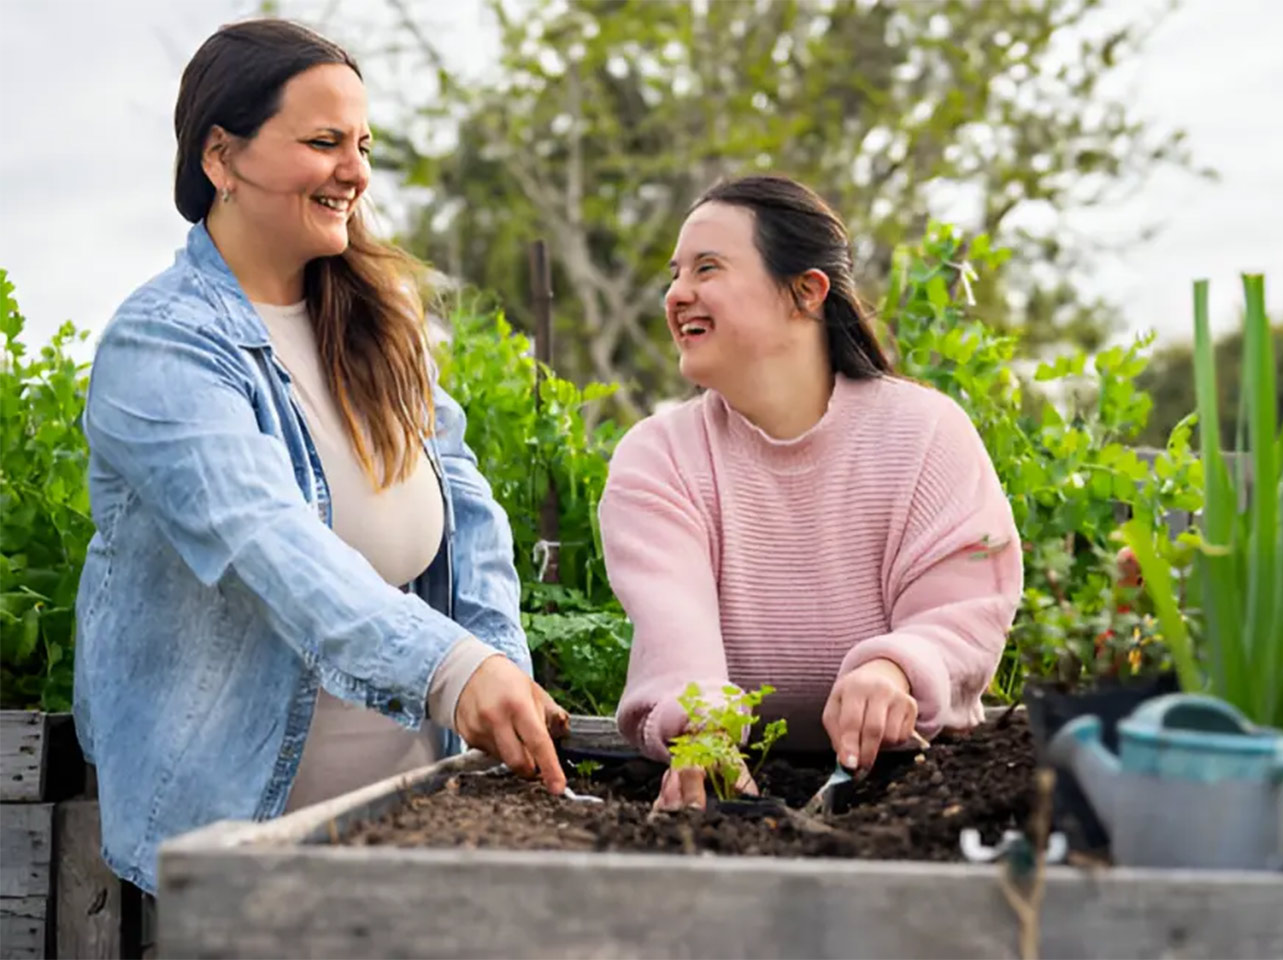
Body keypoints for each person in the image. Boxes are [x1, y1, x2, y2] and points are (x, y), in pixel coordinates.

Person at [74, 19, 565, 897]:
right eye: (324, 141)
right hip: (249, 846)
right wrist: (452, 672)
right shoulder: (162, 348)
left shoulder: (381, 320)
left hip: (414, 812)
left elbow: (467, 514)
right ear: (221, 157)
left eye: (362, 144)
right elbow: (270, 543)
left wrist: (498, 664)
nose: (356, 170)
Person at [599, 175, 1023, 810]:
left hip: (911, 786)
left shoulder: (926, 435)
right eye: (675, 273)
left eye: (707, 268)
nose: (677, 294)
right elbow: (675, 638)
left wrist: (895, 670)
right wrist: (705, 738)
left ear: (806, 292)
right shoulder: (659, 458)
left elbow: (962, 615)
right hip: (739, 781)